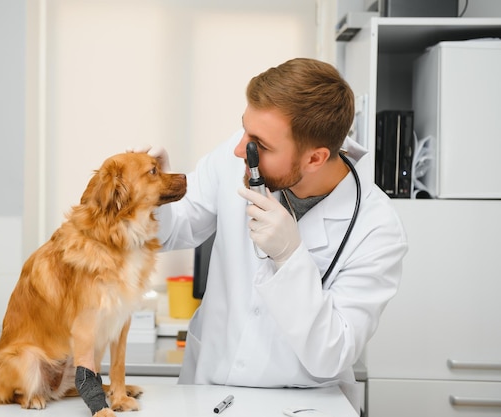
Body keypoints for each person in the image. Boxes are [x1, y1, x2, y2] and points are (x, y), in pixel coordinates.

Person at [139, 58, 407, 413]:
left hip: (301, 404)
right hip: (210, 390)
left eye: (258, 145)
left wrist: (290, 257)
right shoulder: (239, 153)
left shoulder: (377, 228)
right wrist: (153, 191)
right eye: (244, 130)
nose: (239, 149)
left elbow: (333, 352)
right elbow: (175, 231)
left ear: (315, 158)